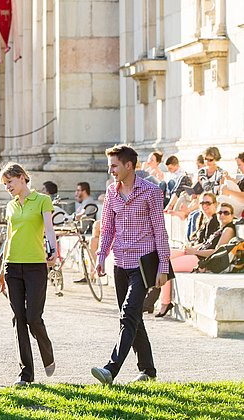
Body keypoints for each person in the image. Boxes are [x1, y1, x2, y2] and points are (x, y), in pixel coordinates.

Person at [92, 144, 170, 385]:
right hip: (120, 264)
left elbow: (160, 230)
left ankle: (110, 369)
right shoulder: (112, 193)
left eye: (114, 166)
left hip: (143, 264)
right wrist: (100, 256)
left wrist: (163, 267)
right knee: (134, 318)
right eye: (109, 166)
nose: (111, 171)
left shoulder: (151, 192)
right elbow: (107, 228)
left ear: (129, 165)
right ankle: (148, 371)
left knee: (128, 316)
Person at [0, 163, 57, 387]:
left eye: (9, 182)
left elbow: (49, 228)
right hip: (13, 266)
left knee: (33, 318)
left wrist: (54, 250)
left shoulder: (42, 200)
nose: (7, 187)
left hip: (35, 265)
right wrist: (2, 270)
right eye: (5, 184)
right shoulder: (10, 206)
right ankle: (25, 373)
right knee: (18, 319)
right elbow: (9, 238)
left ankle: (47, 353)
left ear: (21, 178)